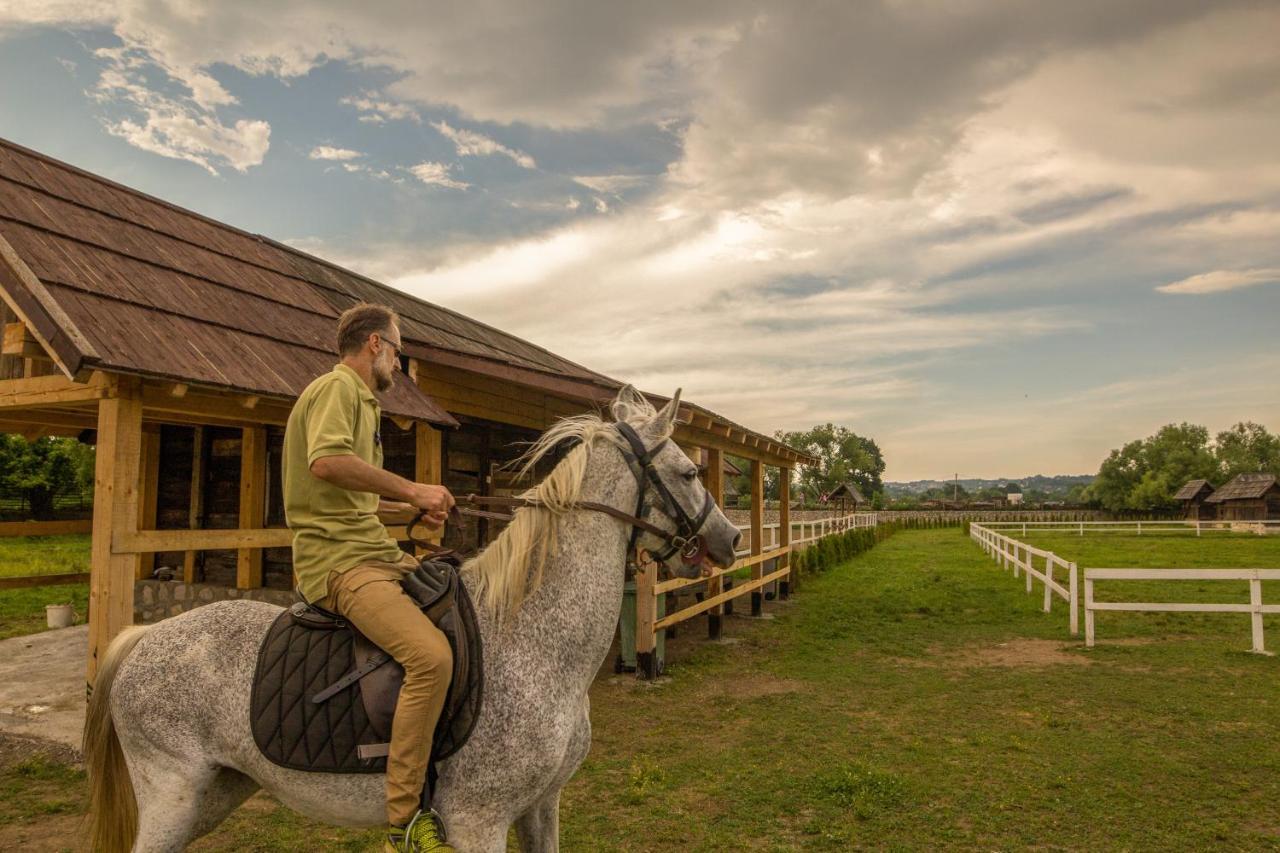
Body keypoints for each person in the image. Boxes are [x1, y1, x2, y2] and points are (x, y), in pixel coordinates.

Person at [282, 303, 457, 852]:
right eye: (400, 350)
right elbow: (326, 462)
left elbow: (350, 502)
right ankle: (402, 826)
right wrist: (413, 490)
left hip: (371, 549)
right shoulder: (337, 389)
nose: (400, 366)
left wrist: (412, 513)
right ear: (376, 344)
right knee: (431, 658)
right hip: (339, 564)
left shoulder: (360, 401)